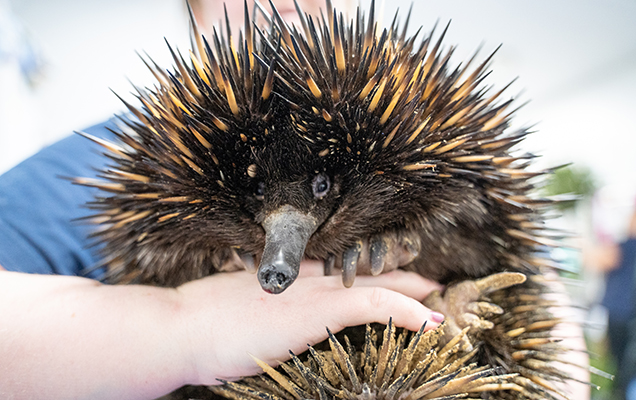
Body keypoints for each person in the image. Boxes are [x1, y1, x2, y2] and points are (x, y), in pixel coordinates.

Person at [0, 1, 444, 399]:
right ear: (195, 13)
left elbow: (493, 230)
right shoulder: (115, 156)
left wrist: (416, 240)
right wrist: (181, 327)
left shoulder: (429, 118)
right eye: (257, 191)